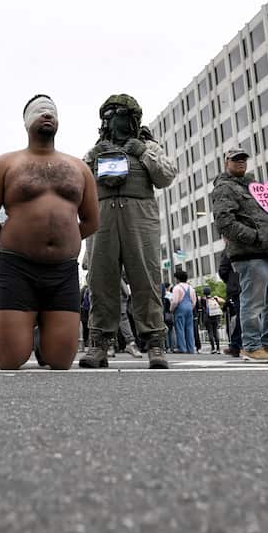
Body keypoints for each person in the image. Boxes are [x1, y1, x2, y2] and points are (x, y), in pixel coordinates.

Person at [0, 95, 98, 370]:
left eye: (52, 111)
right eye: (40, 111)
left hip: (62, 271)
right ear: (26, 121)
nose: (47, 115)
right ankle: (26, 326)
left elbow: (91, 220)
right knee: (10, 360)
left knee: (60, 361)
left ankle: (46, 332)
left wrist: (67, 239)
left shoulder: (79, 168)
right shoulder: (5, 164)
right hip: (17, 268)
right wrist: (14, 240)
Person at [81, 94, 176, 369]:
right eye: (108, 117)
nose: (113, 122)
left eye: (119, 116)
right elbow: (75, 179)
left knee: (146, 278)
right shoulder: (96, 149)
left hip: (140, 217)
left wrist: (142, 152)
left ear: (133, 119)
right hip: (103, 217)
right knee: (100, 280)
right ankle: (98, 344)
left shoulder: (148, 147)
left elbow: (166, 176)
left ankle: (155, 343)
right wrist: (91, 161)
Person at [210, 145, 268, 363]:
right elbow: (224, 222)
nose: (240, 162)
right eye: (235, 159)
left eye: (243, 159)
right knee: (253, 301)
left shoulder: (256, 188)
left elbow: (265, 220)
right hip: (249, 254)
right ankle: (251, 346)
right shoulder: (223, 188)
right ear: (226, 162)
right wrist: (254, 237)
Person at [218, 248, 242, 357]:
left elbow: (223, 271)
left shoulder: (229, 249)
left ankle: (236, 345)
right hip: (242, 284)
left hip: (236, 286)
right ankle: (238, 345)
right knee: (244, 315)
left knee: (242, 315)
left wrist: (230, 280)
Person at [169, 270, 198, 354]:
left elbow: (175, 301)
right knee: (189, 328)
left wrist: (171, 309)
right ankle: (191, 348)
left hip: (180, 309)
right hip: (189, 308)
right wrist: (191, 308)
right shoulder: (191, 288)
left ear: (177, 279)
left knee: (180, 328)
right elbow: (194, 301)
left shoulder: (177, 288)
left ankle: (182, 348)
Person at [202, 287, 223, 354]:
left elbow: (201, 307)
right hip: (215, 317)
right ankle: (218, 348)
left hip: (207, 317)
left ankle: (213, 348)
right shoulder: (214, 298)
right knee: (215, 332)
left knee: (210, 332)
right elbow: (222, 301)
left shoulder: (203, 300)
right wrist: (216, 297)